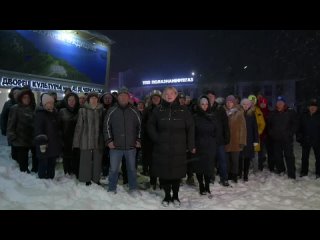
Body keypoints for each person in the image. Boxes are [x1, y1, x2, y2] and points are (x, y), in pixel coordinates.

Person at [147, 86, 195, 207]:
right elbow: (150, 126)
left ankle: (176, 196)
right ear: (163, 95)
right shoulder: (158, 110)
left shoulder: (184, 110)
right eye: (166, 93)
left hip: (178, 148)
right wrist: (157, 138)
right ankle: (167, 196)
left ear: (176, 95)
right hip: (162, 148)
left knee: (176, 174)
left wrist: (190, 145)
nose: (169, 95)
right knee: (164, 173)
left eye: (171, 93)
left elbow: (190, 128)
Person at [104, 87, 141, 194]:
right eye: (121, 96)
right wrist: (109, 141)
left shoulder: (134, 110)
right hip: (115, 146)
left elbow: (140, 127)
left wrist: (138, 139)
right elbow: (106, 127)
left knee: (132, 169)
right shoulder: (112, 110)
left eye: (125, 96)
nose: (123, 98)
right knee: (114, 169)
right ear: (118, 97)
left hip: (131, 146)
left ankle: (133, 188)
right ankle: (112, 188)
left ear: (128, 98)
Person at [73, 92, 104, 185]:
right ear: (88, 99)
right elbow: (79, 127)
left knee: (97, 160)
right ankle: (86, 178)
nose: (93, 100)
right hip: (85, 139)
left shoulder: (102, 110)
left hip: (98, 139)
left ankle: (96, 178)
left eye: (95, 98)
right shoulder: (82, 111)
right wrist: (76, 142)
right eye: (92, 98)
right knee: (85, 159)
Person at [7, 88, 37, 173]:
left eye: (28, 97)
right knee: (23, 162)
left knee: (35, 156)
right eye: (24, 97)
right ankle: (24, 176)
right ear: (20, 98)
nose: (27, 99)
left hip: (32, 138)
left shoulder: (33, 108)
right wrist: (12, 136)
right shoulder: (15, 108)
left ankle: (35, 171)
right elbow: (10, 124)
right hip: (20, 139)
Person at [267, 96, 298, 179]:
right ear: (276, 104)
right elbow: (268, 125)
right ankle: (281, 170)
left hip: (287, 139)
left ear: (284, 103)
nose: (279, 104)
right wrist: (271, 133)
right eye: (278, 103)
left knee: (289, 156)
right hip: (276, 139)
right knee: (278, 156)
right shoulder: (273, 113)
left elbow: (295, 124)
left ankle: (291, 173)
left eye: (281, 103)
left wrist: (290, 133)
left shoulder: (290, 112)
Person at [193, 96, 217, 195]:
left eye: (206, 104)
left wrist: (214, 142)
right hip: (199, 145)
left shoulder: (212, 116)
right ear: (199, 105)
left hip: (210, 146)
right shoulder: (195, 117)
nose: (205, 106)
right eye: (202, 104)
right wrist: (193, 145)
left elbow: (216, 131)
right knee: (199, 167)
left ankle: (207, 186)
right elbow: (192, 133)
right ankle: (201, 185)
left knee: (208, 167)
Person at [34, 93, 62, 179]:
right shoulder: (40, 114)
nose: (51, 105)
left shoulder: (54, 114)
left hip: (53, 144)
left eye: (52, 103)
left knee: (51, 162)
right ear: (44, 104)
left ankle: (50, 177)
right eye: (48, 103)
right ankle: (42, 179)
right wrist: (42, 143)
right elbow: (38, 130)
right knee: (43, 162)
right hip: (43, 144)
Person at [206, 90, 230, 186]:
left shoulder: (220, 109)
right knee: (210, 160)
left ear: (215, 97)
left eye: (212, 96)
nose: (210, 98)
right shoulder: (204, 108)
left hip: (219, 139)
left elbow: (225, 124)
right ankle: (211, 177)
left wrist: (227, 137)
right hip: (208, 140)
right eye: (208, 96)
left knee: (222, 160)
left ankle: (224, 178)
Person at [141, 90, 162, 189]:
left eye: (157, 97)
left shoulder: (164, 109)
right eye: (154, 98)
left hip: (161, 140)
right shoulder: (147, 110)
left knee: (161, 162)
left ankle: (162, 181)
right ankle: (153, 181)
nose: (156, 99)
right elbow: (143, 125)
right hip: (149, 141)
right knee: (152, 162)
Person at [224, 95, 247, 183]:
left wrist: (242, 141)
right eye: (227, 102)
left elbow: (243, 129)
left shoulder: (239, 113)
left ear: (234, 103)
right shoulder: (224, 112)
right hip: (227, 141)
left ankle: (234, 175)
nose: (229, 104)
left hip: (236, 141)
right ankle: (229, 174)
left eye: (230, 102)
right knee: (227, 160)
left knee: (235, 160)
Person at [296, 98, 320, 178]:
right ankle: (304, 171)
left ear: (317, 108)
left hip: (317, 140)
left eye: (314, 106)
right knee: (304, 158)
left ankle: (318, 172)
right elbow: (299, 127)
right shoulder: (304, 115)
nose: (312, 108)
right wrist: (299, 137)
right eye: (311, 106)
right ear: (308, 107)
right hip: (306, 139)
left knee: (319, 158)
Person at [59, 92, 80, 177]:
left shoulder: (80, 111)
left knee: (76, 157)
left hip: (77, 138)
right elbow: (58, 125)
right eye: (69, 100)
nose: (71, 102)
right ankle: (67, 173)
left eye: (73, 100)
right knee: (66, 157)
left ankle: (75, 172)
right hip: (65, 138)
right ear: (66, 101)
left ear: (76, 101)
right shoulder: (62, 111)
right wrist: (60, 137)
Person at [239, 98, 259, 181]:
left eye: (247, 104)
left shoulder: (252, 114)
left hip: (249, 138)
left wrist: (256, 140)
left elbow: (255, 128)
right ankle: (239, 173)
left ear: (250, 105)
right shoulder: (238, 113)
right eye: (244, 104)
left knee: (247, 157)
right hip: (239, 138)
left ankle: (245, 175)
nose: (245, 106)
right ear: (241, 105)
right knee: (239, 157)